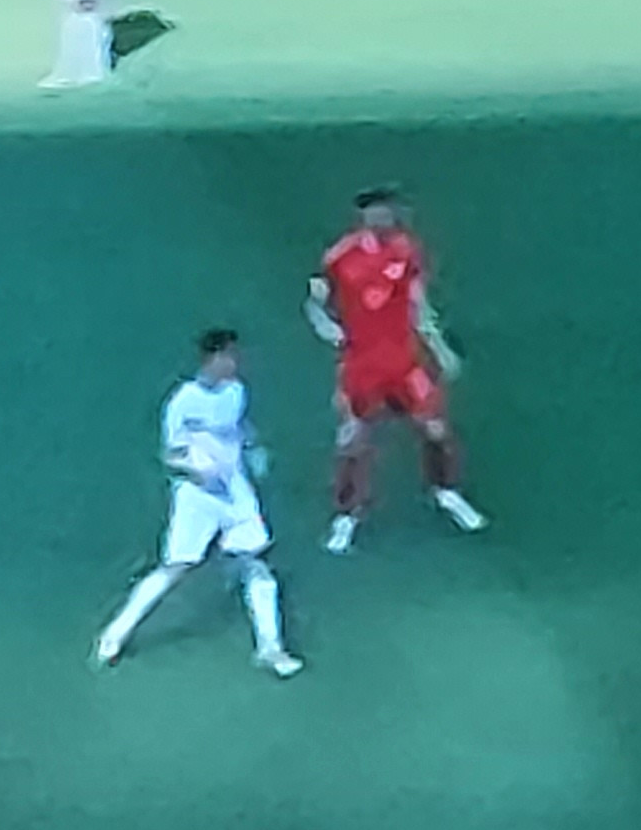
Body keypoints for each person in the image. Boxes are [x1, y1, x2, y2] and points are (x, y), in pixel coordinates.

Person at [95, 332, 301, 677]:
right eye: (229, 356)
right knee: (176, 567)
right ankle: (114, 635)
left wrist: (254, 449)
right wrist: (195, 469)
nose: (235, 362)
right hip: (197, 496)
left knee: (255, 564)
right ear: (211, 358)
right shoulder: (183, 401)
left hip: (235, 491)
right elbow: (169, 454)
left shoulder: (236, 391)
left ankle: (270, 647)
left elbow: (240, 427)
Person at [307, 188, 487, 552]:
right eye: (375, 212)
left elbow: (417, 302)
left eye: (387, 212)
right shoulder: (340, 256)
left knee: (435, 429)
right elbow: (314, 301)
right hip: (362, 365)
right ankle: (346, 515)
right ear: (363, 217)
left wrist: (439, 347)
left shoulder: (407, 250)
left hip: (405, 362)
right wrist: (327, 328)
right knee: (353, 440)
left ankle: (446, 491)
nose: (383, 218)